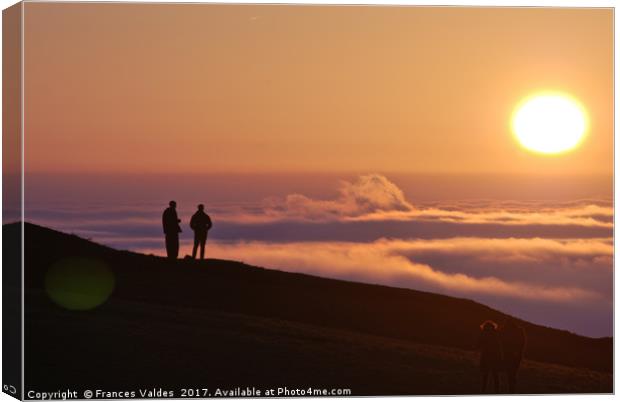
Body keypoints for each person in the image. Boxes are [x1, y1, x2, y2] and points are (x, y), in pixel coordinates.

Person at [499, 318, 526, 393]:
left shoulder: (505, 331)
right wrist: (518, 352)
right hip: (516, 355)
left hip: (508, 354)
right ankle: (511, 388)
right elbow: (522, 343)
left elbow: (500, 340)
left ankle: (511, 388)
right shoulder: (519, 330)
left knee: (510, 372)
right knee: (512, 372)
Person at [476, 320, 502, 393]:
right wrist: (500, 357)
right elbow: (499, 346)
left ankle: (483, 391)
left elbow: (478, 344)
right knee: (495, 375)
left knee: (485, 376)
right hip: (494, 357)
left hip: (486, 356)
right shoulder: (496, 334)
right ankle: (497, 391)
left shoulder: (483, 333)